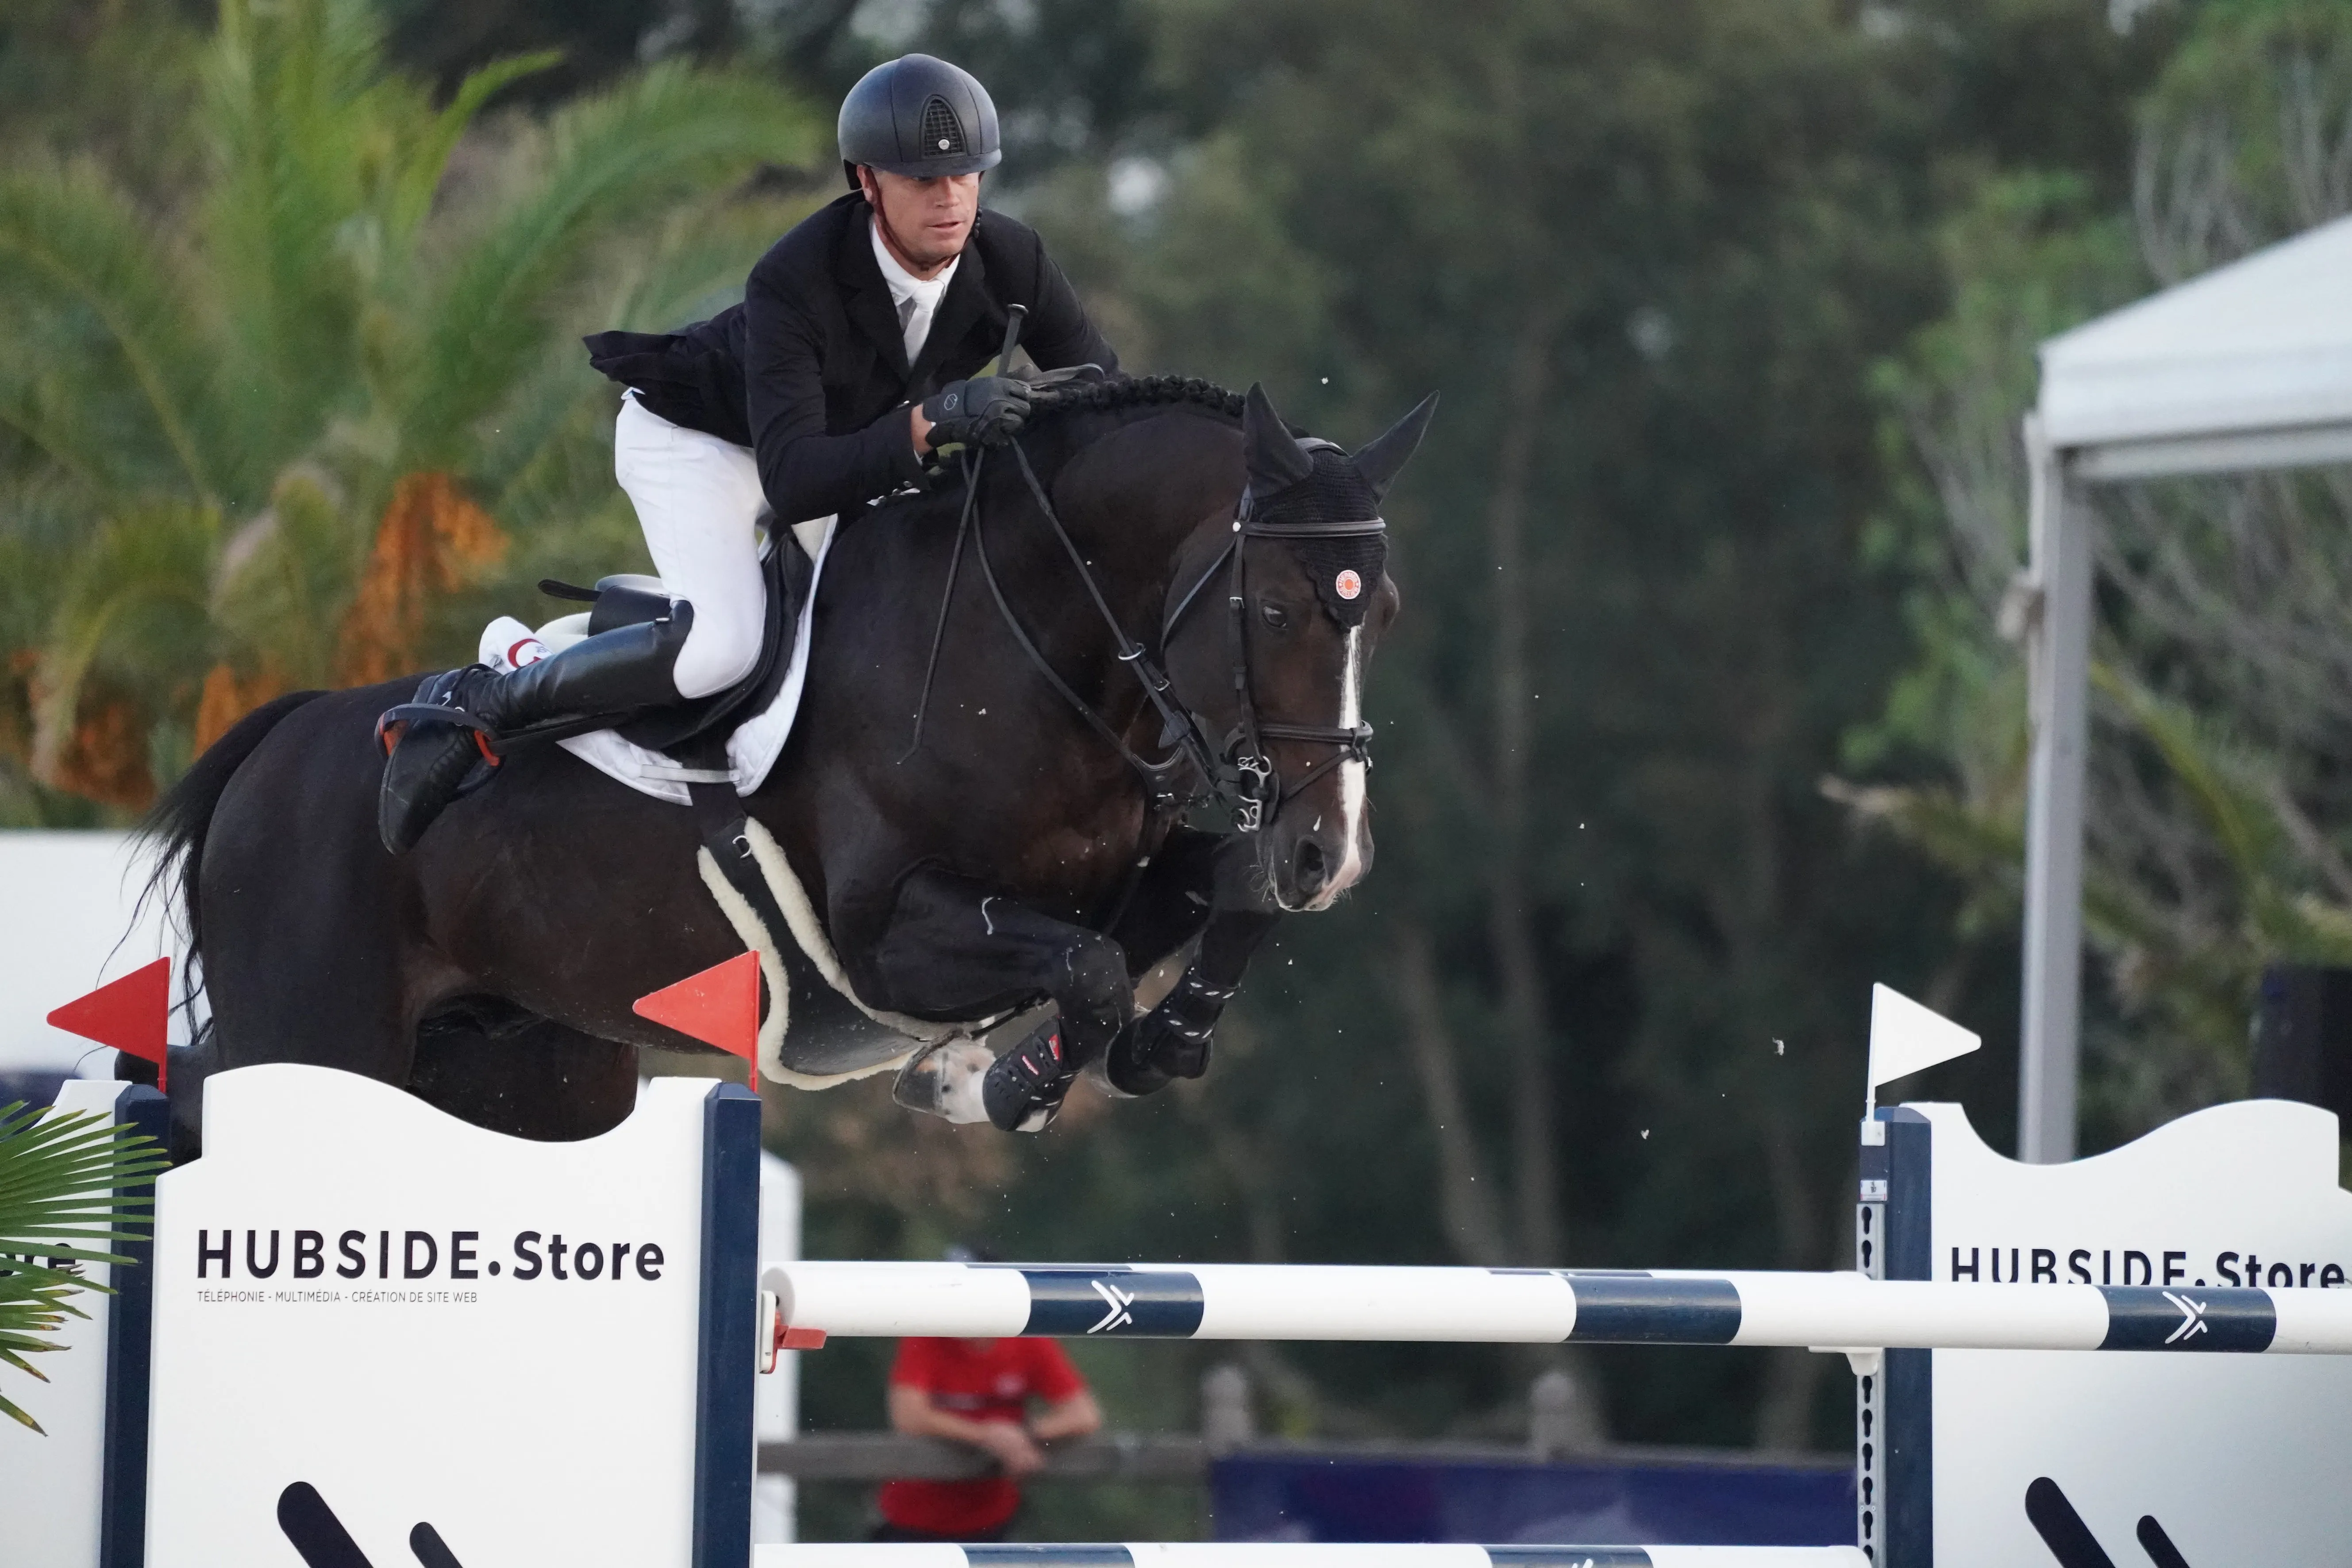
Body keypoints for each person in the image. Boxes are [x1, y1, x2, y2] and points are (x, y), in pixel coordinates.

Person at [376, 52, 1118, 855]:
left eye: (965, 175)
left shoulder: (1012, 260)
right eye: (921, 180)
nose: (950, 199)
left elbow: (1106, 391)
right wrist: (931, 423)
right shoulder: (797, 277)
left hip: (839, 455)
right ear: (867, 182)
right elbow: (795, 480)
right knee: (723, 650)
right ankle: (493, 694)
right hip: (701, 445)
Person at [873, 1323, 1102, 1543]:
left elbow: (1084, 1415)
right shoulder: (926, 1338)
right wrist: (988, 1436)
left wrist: (1022, 1435)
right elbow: (909, 1417)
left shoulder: (1030, 1341)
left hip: (993, 1519)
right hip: (912, 1519)